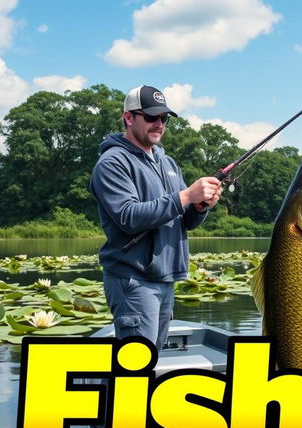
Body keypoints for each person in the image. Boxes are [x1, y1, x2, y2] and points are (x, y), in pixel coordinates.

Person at [90, 85, 222, 348]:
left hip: (165, 278)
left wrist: (200, 206)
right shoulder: (112, 163)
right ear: (129, 118)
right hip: (133, 280)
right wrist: (186, 196)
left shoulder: (168, 163)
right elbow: (128, 217)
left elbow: (184, 220)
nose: (159, 124)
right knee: (138, 364)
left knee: (153, 356)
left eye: (164, 118)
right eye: (151, 117)